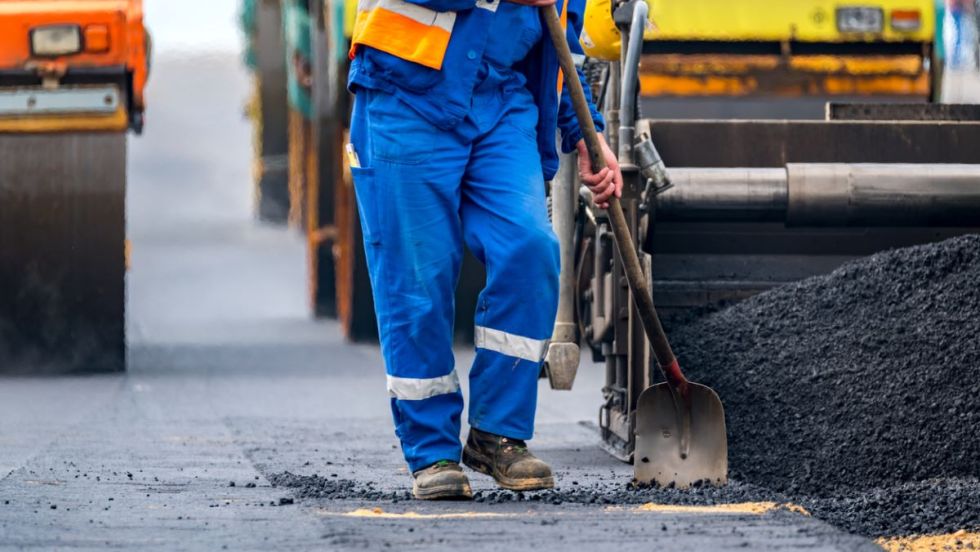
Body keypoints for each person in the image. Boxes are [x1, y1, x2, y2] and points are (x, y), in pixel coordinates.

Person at [346, 0, 623, 499]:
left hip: (501, 103)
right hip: (406, 92)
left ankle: (497, 433)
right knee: (418, 280)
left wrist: (585, 131)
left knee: (530, 248)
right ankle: (431, 451)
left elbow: (561, 37)